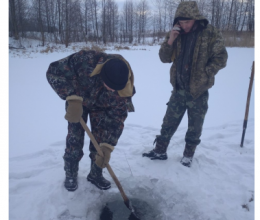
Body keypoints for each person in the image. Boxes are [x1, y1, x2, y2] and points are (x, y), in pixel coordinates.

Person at [143, 1, 228, 167]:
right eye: (181, 22)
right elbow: (164, 58)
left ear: (195, 19)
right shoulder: (176, 33)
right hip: (179, 89)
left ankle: (188, 155)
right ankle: (160, 151)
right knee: (168, 123)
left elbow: (221, 58)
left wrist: (205, 73)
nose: (184, 25)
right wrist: (171, 40)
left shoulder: (210, 33)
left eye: (187, 22)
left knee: (195, 126)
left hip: (198, 91)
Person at [46, 50, 135, 191]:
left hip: (102, 106)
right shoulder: (85, 60)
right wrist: (71, 97)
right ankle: (71, 173)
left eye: (115, 89)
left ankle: (95, 174)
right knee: (74, 138)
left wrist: (108, 146)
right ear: (102, 76)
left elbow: (118, 119)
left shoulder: (124, 88)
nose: (112, 91)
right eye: (110, 87)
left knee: (100, 142)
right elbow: (53, 71)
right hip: (78, 101)